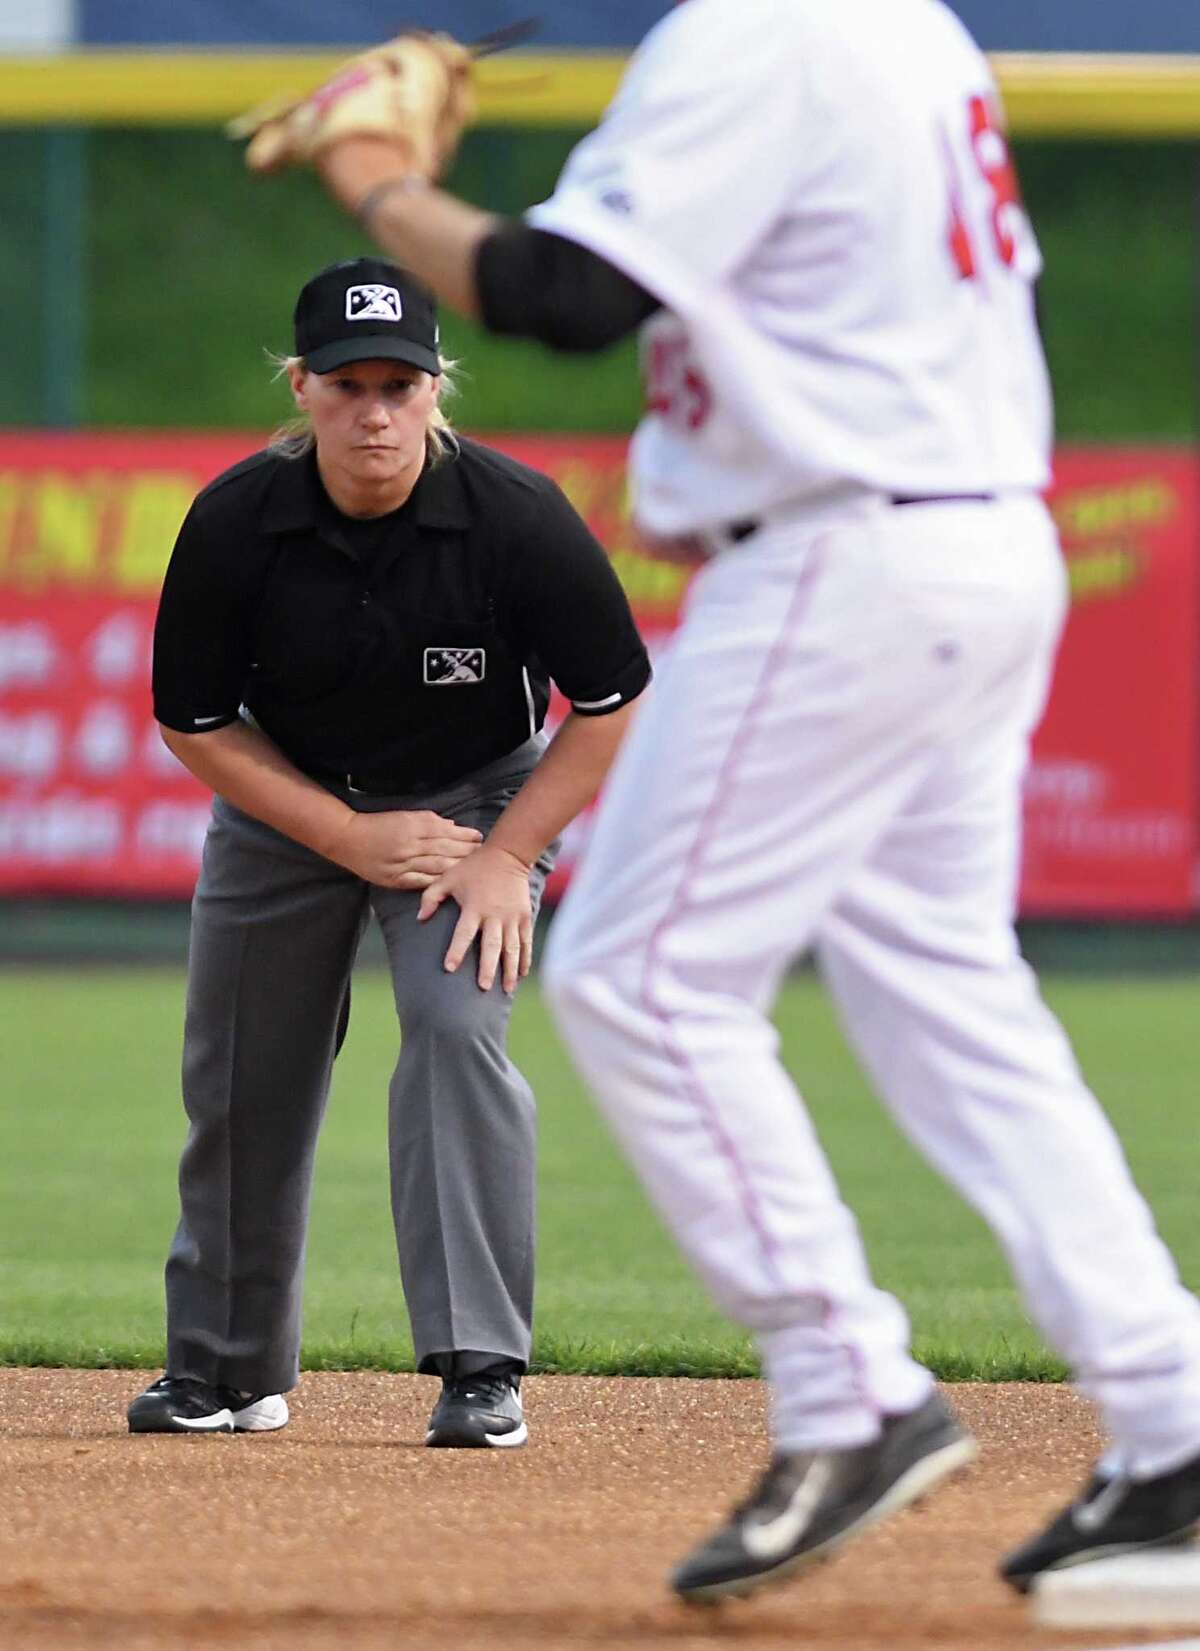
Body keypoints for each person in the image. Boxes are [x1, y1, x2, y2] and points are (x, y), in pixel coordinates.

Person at [248, 0, 1200, 1600]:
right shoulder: (916, 34)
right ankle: (1173, 1424)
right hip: (970, 538)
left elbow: (562, 294)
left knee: (638, 972)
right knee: (952, 999)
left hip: (841, 561)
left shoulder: (762, 32)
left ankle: (851, 1392)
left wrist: (374, 168)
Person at [130, 255, 650, 1449]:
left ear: (437, 392)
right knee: (240, 1074)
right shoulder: (238, 520)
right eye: (350, 383)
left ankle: (481, 1366)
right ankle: (224, 1368)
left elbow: (612, 700)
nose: (376, 410)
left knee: (458, 1034)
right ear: (302, 386)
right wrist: (347, 836)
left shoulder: (513, 518)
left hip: (476, 804)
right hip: (292, 804)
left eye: (401, 384)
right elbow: (195, 721)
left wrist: (507, 858)